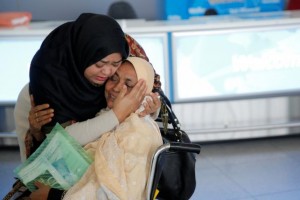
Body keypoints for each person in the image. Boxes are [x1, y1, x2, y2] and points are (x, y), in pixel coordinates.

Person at [14, 13, 161, 163]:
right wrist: (117, 114)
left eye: (115, 65)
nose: (107, 72)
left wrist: (150, 107)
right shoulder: (50, 78)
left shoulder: (123, 46)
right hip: (45, 109)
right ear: (83, 54)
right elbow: (59, 141)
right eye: (99, 64)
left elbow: (148, 84)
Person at [29, 57, 163, 200]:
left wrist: (54, 196)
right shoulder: (106, 116)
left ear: (145, 93)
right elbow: (67, 140)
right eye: (113, 78)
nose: (116, 88)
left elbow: (115, 195)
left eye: (129, 85)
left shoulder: (136, 133)